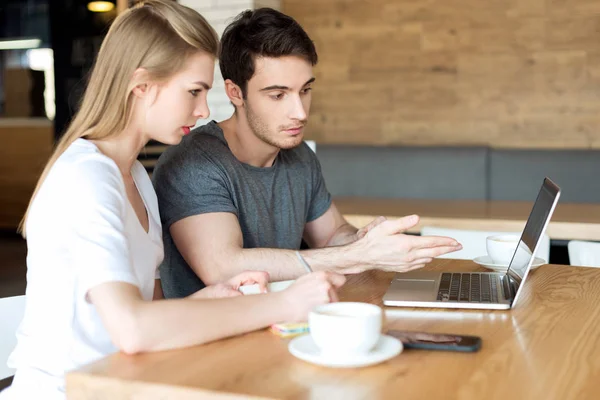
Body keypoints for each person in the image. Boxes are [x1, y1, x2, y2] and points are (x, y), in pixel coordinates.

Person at [0, 2, 344, 399]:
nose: (202, 111)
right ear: (142, 85)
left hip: (127, 384)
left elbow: (151, 313)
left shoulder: (135, 179)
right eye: (194, 91)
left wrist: (211, 299)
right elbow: (132, 329)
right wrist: (285, 304)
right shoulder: (86, 179)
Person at [151, 7, 463, 299]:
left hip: (287, 325)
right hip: (213, 343)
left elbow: (331, 236)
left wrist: (366, 240)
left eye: (305, 90)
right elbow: (223, 268)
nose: (299, 112)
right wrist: (355, 255)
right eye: (278, 95)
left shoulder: (297, 154)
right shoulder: (193, 162)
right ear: (235, 93)